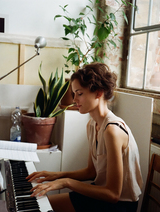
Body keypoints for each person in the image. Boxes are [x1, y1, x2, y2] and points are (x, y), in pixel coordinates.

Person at [26, 62, 143, 212]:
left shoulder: (112, 131)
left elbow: (113, 194)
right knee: (40, 205)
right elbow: (91, 172)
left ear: (99, 93)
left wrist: (66, 182)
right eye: (74, 94)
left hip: (119, 205)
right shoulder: (92, 125)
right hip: (101, 194)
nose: (74, 99)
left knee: (42, 207)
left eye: (79, 93)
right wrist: (56, 175)